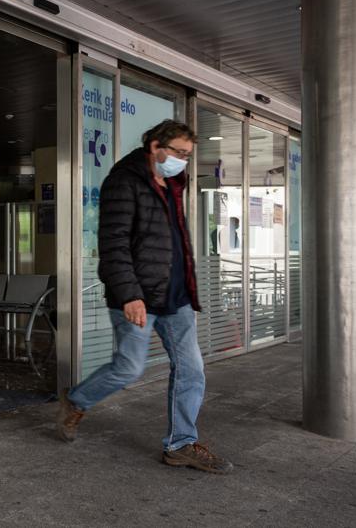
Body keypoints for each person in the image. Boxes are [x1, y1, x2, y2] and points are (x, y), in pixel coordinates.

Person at [56, 119, 233, 474]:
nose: (183, 160)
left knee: (192, 370)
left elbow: (174, 242)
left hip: (175, 297)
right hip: (137, 296)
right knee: (129, 368)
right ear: (155, 146)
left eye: (187, 155)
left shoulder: (172, 184)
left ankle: (181, 444)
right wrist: (129, 295)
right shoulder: (123, 182)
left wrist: (188, 290)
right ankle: (77, 399)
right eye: (179, 153)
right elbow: (113, 245)